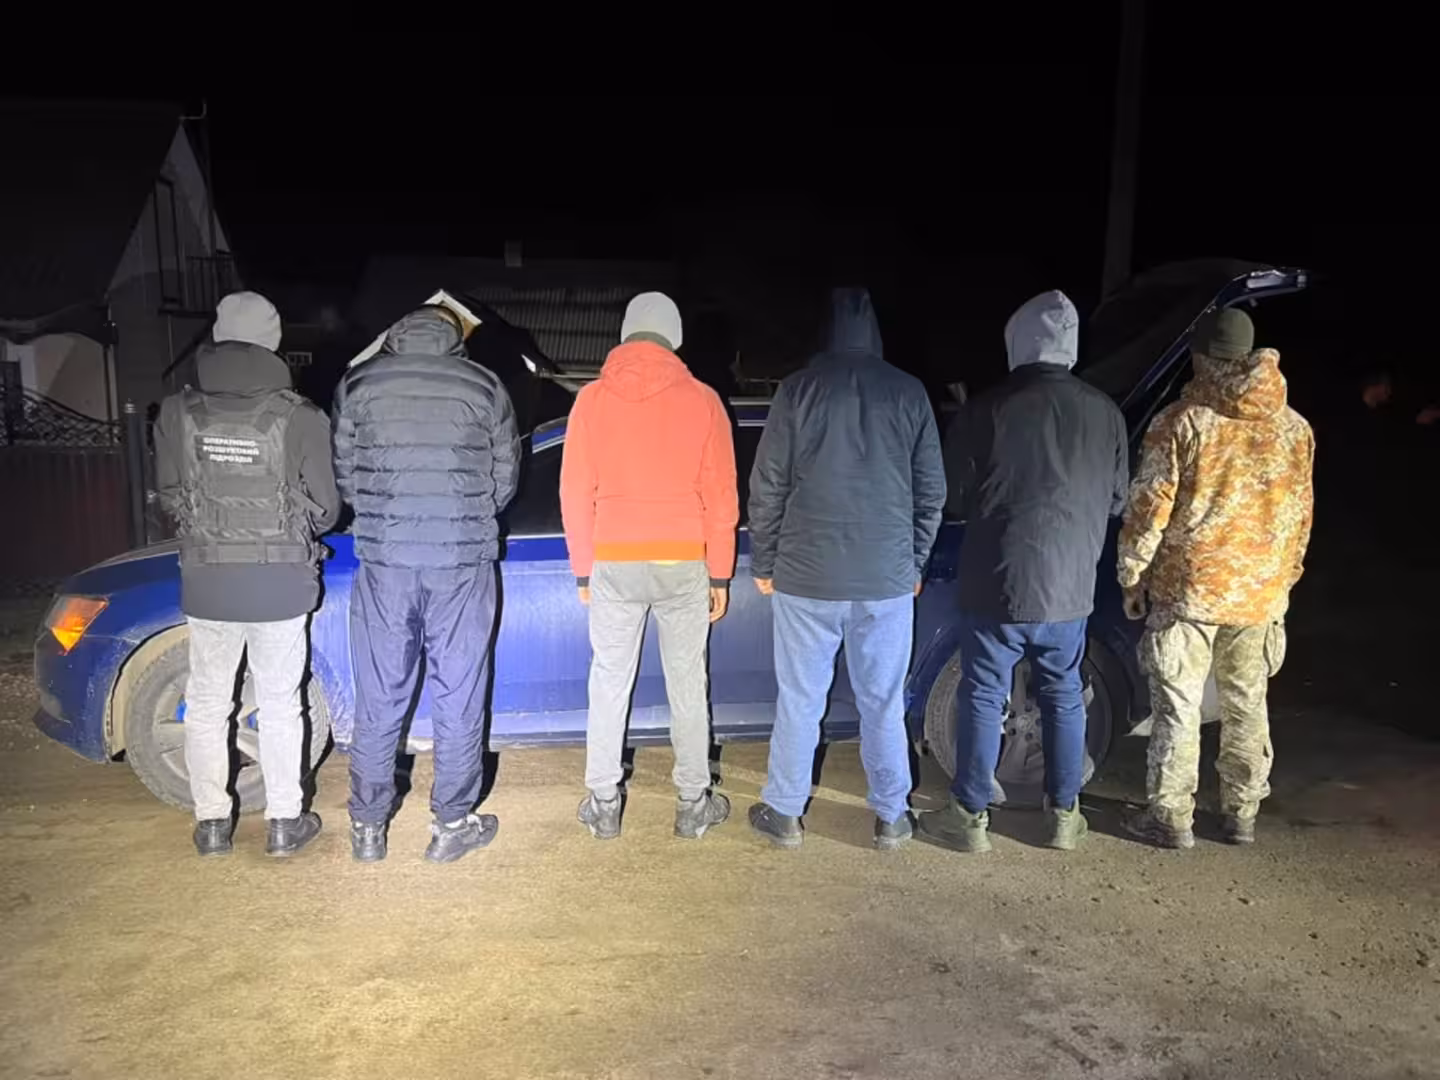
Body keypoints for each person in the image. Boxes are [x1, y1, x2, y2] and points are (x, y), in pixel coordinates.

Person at [918, 290, 1127, 854]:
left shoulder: (987, 408)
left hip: (997, 582)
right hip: (1070, 587)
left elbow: (952, 494)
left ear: (1018, 342)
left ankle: (968, 817)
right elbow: (1117, 499)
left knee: (984, 693)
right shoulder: (1106, 413)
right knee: (1063, 694)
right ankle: (1064, 816)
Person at [747, 287, 945, 851]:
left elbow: (768, 485)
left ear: (826, 331)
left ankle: (785, 812)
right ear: (874, 332)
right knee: (882, 700)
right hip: (885, 579)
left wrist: (765, 559)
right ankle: (892, 816)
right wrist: (914, 561)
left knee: (800, 697)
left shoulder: (797, 389)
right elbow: (931, 491)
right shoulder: (909, 392)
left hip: (806, 576)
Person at [1119, 309, 1314, 849]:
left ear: (1201, 356)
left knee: (1179, 705)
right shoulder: (1295, 429)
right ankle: (1242, 812)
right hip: (1260, 595)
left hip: (1188, 592)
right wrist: (1286, 579)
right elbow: (1301, 517)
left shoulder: (1181, 422)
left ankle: (1171, 817)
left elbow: (1148, 510)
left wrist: (1132, 574)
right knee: (1247, 703)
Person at [154, 291, 339, 857]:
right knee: (281, 702)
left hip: (208, 581)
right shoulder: (300, 416)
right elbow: (328, 510)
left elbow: (168, 498)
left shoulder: (176, 412)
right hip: (279, 585)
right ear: (273, 343)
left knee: (208, 702)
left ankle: (212, 825)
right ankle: (284, 822)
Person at [333, 305, 520, 864]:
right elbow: (504, 478)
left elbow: (346, 476)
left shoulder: (358, 383)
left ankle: (368, 827)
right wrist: (466, 516)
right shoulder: (484, 386)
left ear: (397, 335)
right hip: (461, 560)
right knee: (458, 692)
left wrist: (382, 515)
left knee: (379, 694)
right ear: (455, 337)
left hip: (386, 560)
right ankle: (451, 824)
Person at [560, 291, 738, 841]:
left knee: (609, 680)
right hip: (683, 558)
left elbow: (574, 492)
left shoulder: (591, 400)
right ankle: (692, 804)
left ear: (625, 334)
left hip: (614, 559)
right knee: (687, 681)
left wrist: (584, 569)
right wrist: (720, 572)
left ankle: (603, 803)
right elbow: (722, 495)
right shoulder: (704, 400)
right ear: (674, 336)